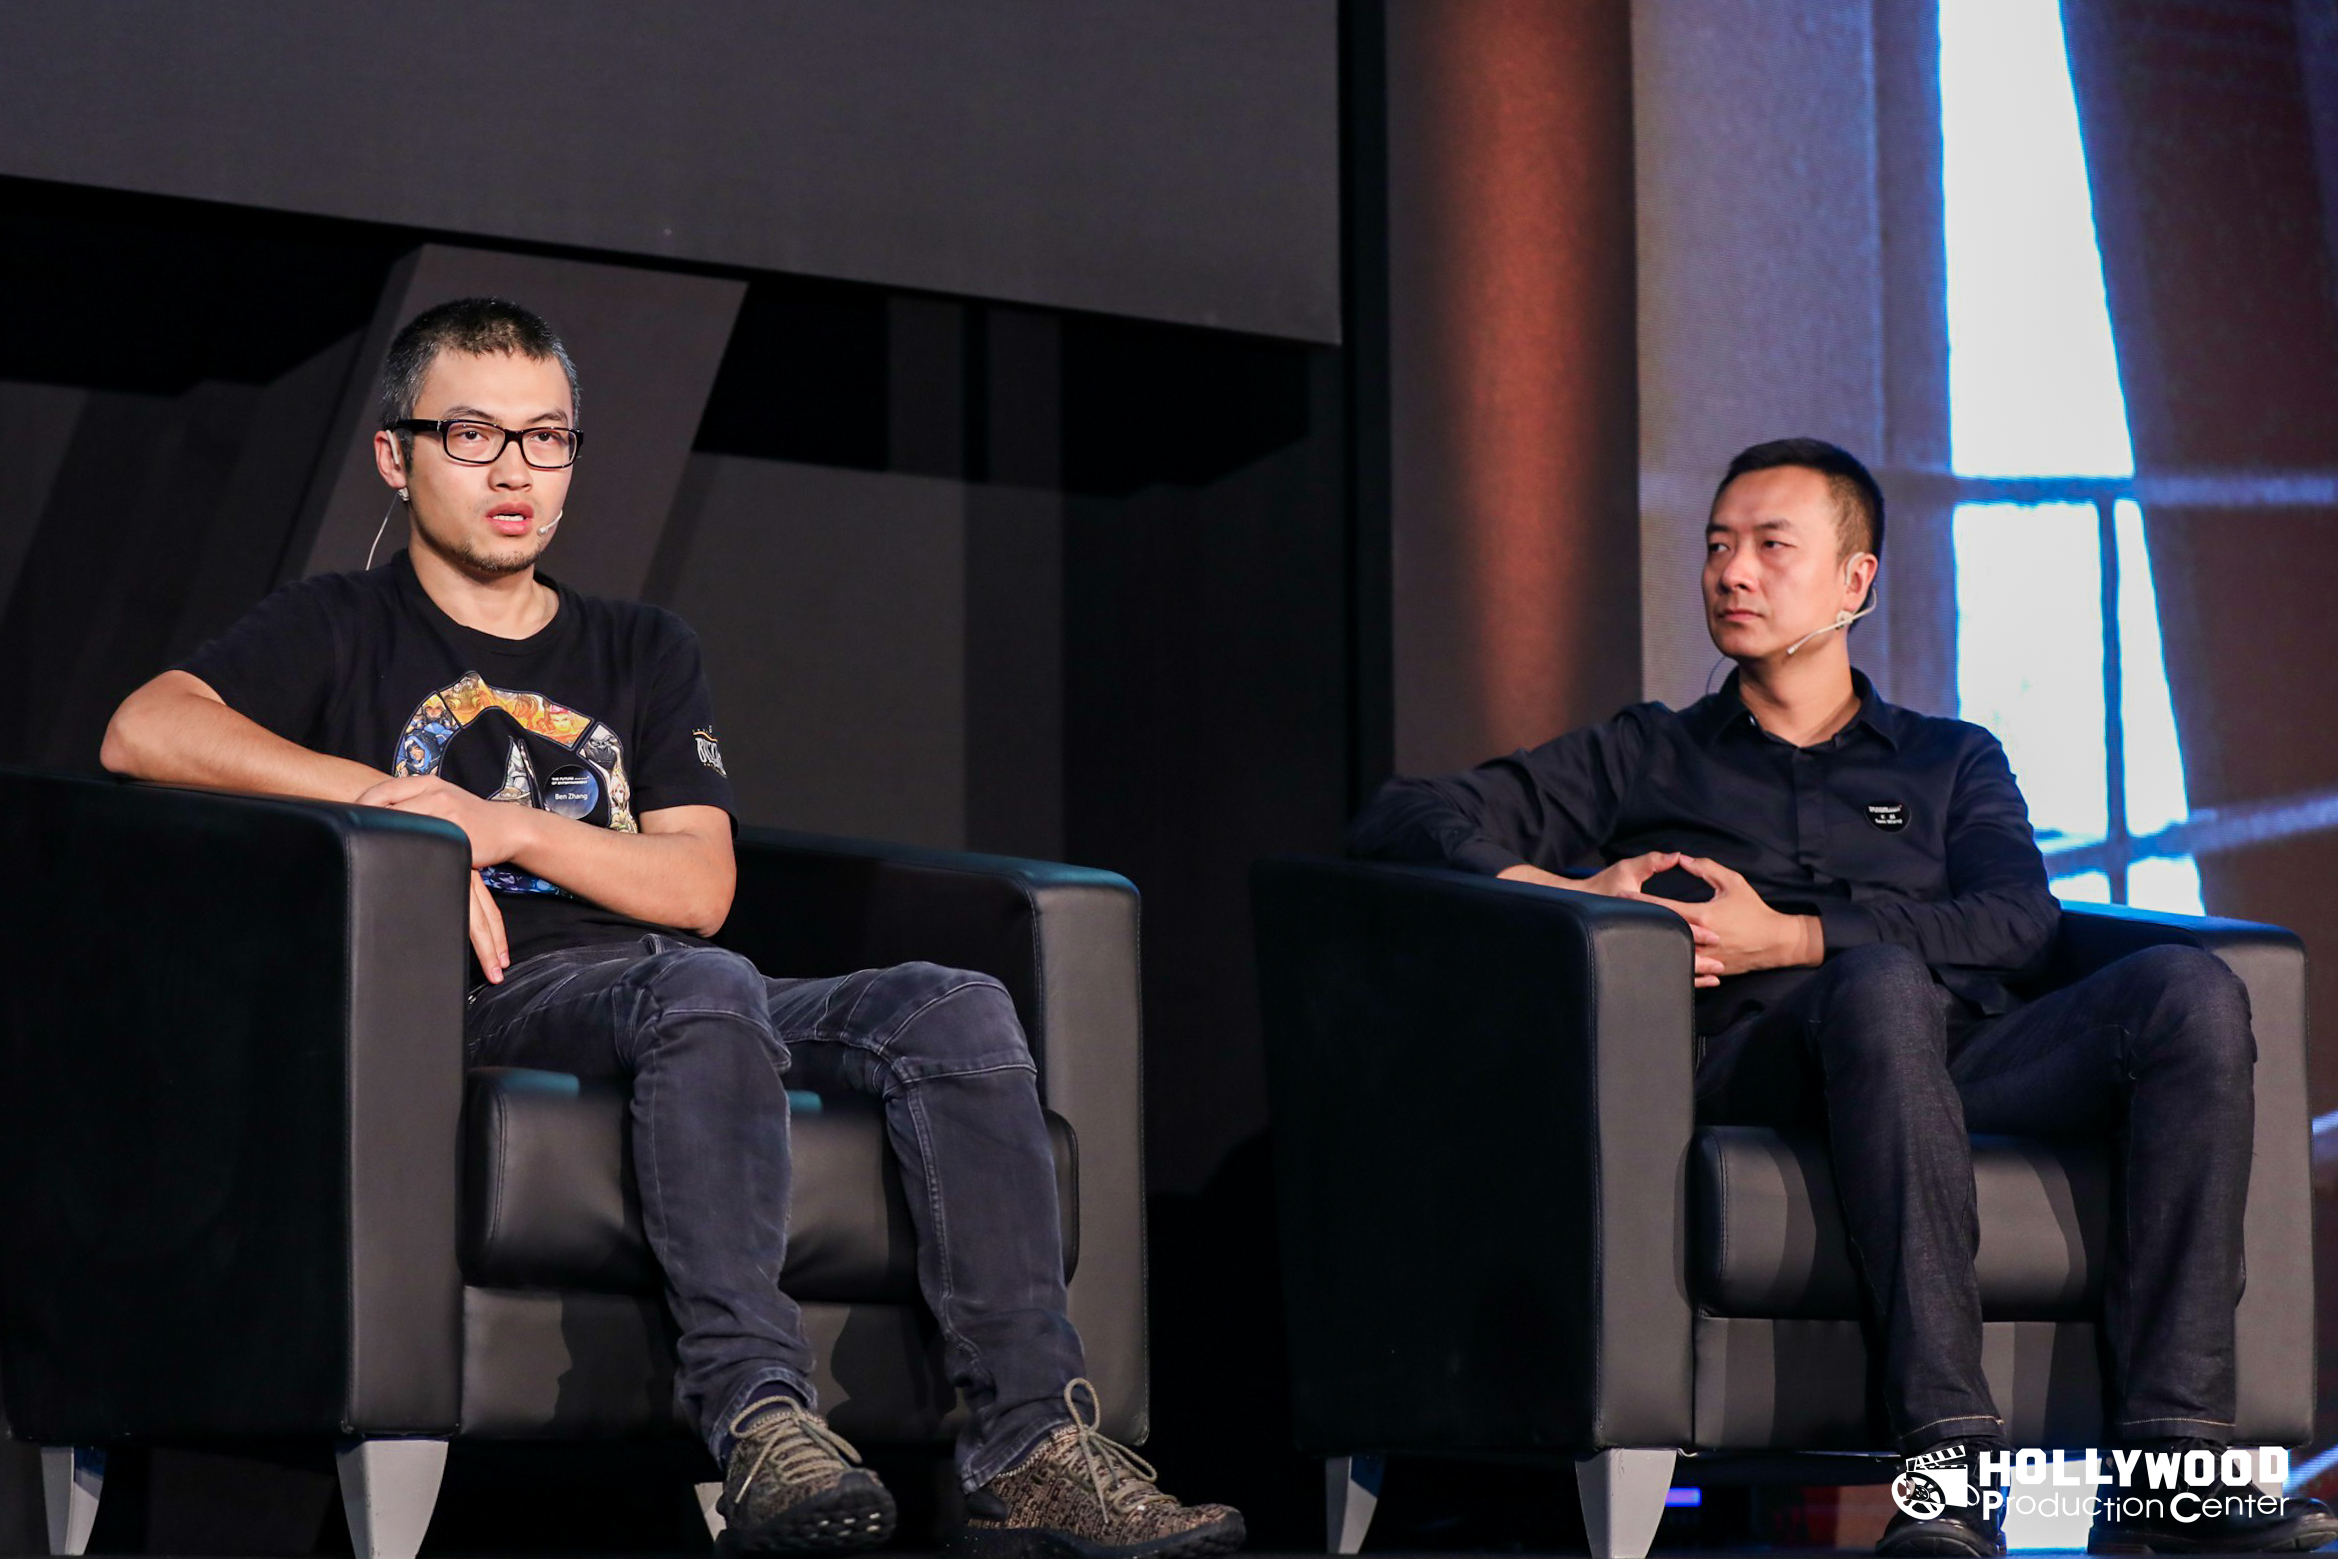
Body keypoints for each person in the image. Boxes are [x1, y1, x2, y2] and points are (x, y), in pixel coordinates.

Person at [101, 297, 1243, 1559]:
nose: (514, 471)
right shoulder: (339, 623)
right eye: (473, 434)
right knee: (702, 987)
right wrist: (393, 806)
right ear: (396, 454)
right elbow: (145, 727)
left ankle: (1031, 1447)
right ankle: (759, 1419)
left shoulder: (642, 647)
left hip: (675, 977)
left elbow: (698, 886)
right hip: (491, 995)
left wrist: (508, 826)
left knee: (950, 1003)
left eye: (545, 437)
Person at [1347, 437, 2335, 1557]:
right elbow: (1403, 816)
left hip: (1958, 1057)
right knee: (1876, 983)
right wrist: (1572, 889)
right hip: (1761, 1065)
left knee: (2189, 992)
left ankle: (2173, 1469)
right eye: (1717, 546)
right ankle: (1948, 1468)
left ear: (1854, 581)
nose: (1732, 572)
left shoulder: (1948, 760)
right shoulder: (1647, 752)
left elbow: (2019, 922)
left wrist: (1794, 933)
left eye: (1771, 546)